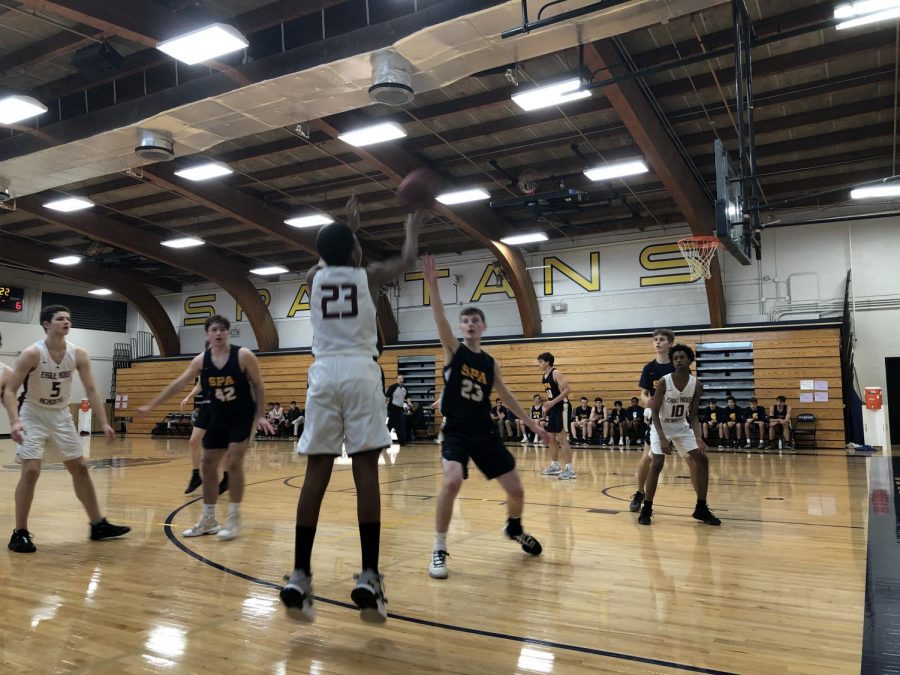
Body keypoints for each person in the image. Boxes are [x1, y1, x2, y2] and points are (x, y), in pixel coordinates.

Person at [280, 197, 424, 624]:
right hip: (361, 372)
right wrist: (412, 224)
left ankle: (301, 574)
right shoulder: (370, 276)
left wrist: (348, 229)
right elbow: (407, 259)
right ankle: (368, 577)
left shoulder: (312, 276)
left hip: (323, 374)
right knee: (365, 472)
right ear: (355, 252)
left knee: (316, 475)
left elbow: (332, 256)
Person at [422, 254, 549, 580]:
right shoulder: (454, 350)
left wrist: (534, 426)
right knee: (451, 481)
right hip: (456, 431)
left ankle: (514, 528)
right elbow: (439, 320)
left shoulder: (490, 363)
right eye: (465, 320)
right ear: (461, 327)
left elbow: (506, 397)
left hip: (485, 431)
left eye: (475, 320)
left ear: (483, 327)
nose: (469, 324)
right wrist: (433, 285)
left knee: (517, 491)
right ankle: (438, 548)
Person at [4, 305, 131, 553]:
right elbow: (10, 390)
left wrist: (105, 422)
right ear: (46, 324)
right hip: (32, 413)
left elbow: (92, 390)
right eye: (60, 318)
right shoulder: (32, 353)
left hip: (60, 415)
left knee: (80, 468)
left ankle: (98, 525)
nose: (66, 322)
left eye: (68, 319)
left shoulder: (79, 354)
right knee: (31, 471)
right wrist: (14, 420)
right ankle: (19, 532)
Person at [138, 315, 274, 540]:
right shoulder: (201, 360)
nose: (218, 333)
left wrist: (260, 415)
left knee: (233, 460)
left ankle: (234, 517)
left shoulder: (243, 355)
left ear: (228, 332)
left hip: (242, 414)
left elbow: (259, 386)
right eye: (214, 329)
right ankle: (209, 519)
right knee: (208, 464)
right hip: (218, 415)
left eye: (222, 329)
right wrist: (152, 405)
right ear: (207, 334)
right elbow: (178, 383)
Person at [639, 344, 721, 527]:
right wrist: (661, 438)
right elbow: (654, 411)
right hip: (660, 425)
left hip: (681, 426)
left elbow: (692, 415)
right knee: (657, 462)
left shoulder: (696, 385)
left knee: (702, 459)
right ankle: (647, 508)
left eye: (682, 357)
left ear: (690, 360)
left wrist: (698, 437)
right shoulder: (664, 381)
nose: (678, 360)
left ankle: (701, 507)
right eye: (675, 358)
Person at [630, 329, 675, 513]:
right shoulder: (649, 368)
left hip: (677, 418)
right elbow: (643, 393)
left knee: (693, 459)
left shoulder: (678, 366)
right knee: (648, 457)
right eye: (655, 340)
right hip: (657, 419)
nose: (657, 342)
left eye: (662, 339)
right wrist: (647, 403)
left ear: (670, 343)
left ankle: (701, 503)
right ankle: (640, 492)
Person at [180, 378, 229, 495]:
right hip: (206, 408)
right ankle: (196, 476)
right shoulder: (204, 364)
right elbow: (199, 386)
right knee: (193, 441)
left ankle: (227, 478)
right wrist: (188, 397)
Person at [538, 353, 575, 479]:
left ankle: (570, 470)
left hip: (562, 407)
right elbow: (550, 396)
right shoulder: (544, 376)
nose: (539, 364)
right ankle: (555, 465)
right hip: (553, 409)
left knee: (562, 438)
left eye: (541, 362)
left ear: (548, 362)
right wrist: (546, 407)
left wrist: (552, 402)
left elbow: (567, 390)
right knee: (551, 437)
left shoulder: (556, 373)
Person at [385, 375, 407, 445]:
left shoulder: (404, 389)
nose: (401, 380)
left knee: (390, 425)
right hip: (392, 408)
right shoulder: (393, 387)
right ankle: (402, 442)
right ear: (397, 380)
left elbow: (407, 397)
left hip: (399, 409)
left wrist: (409, 403)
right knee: (397, 425)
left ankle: (383, 440)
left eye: (402, 378)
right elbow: (387, 396)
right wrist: (384, 404)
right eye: (399, 378)